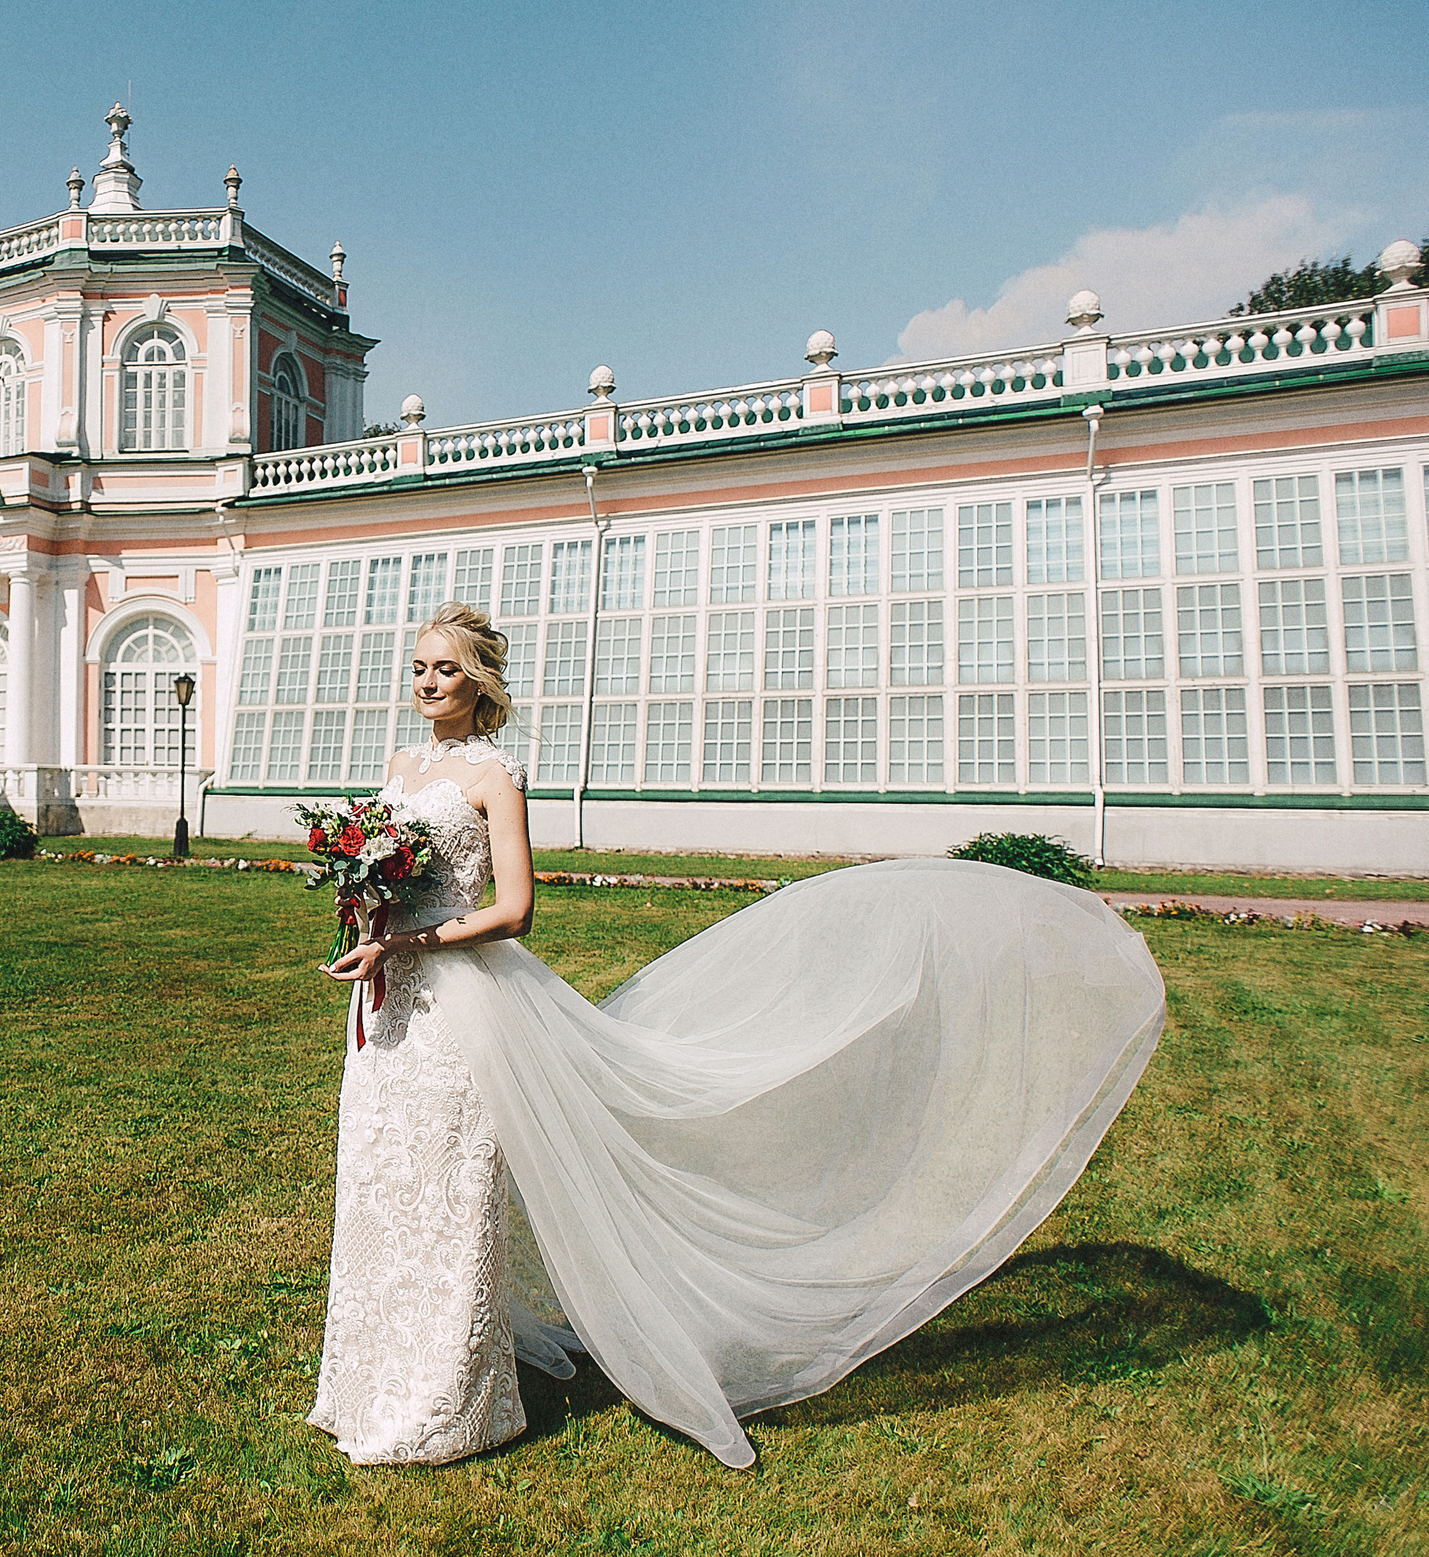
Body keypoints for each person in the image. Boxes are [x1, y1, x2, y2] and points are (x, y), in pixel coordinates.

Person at [307, 604, 1164, 1470]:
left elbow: (516, 910)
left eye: (447, 669)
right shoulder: (402, 766)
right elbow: (395, 874)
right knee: (382, 1175)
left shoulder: (498, 776)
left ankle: (450, 1400)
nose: (428, 683)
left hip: (462, 1007)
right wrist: (366, 904)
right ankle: (366, 1379)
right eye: (419, 668)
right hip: (388, 1000)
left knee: (449, 1190)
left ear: (480, 682)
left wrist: (411, 940)